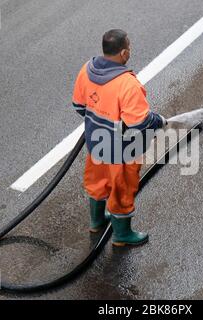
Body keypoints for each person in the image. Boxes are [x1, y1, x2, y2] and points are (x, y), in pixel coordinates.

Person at [71, 29, 166, 246]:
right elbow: (139, 122)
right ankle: (122, 235)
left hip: (95, 143)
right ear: (123, 53)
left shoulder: (86, 70)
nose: (130, 51)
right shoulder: (127, 83)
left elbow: (78, 106)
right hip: (122, 149)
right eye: (129, 48)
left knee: (97, 182)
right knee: (122, 189)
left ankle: (96, 221)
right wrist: (158, 121)